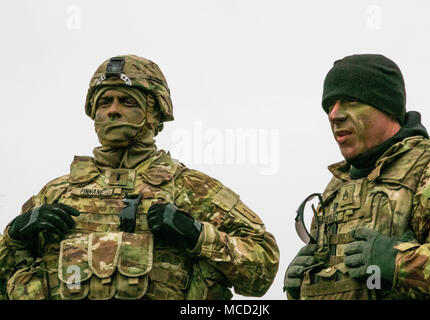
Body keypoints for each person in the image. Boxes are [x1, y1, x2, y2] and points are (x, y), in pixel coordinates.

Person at [0, 54, 279, 300]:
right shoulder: (56, 193)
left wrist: (196, 234)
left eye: (127, 101)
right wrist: (13, 237)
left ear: (153, 112)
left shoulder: (191, 189)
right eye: (105, 102)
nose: (112, 110)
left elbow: (263, 268)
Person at [284, 54, 430, 300]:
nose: (334, 115)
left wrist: (399, 263)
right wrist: (304, 287)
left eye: (351, 100)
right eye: (330, 105)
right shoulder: (336, 189)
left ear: (386, 106)